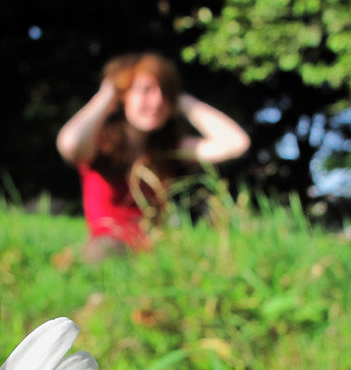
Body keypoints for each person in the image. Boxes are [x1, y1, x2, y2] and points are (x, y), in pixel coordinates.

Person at [56, 53, 251, 261]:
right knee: (103, 251)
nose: (158, 100)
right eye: (146, 90)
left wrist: (184, 101)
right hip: (109, 247)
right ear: (122, 95)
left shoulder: (168, 149)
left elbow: (235, 144)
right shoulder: (98, 146)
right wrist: (106, 94)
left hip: (157, 250)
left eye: (166, 93)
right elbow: (70, 144)